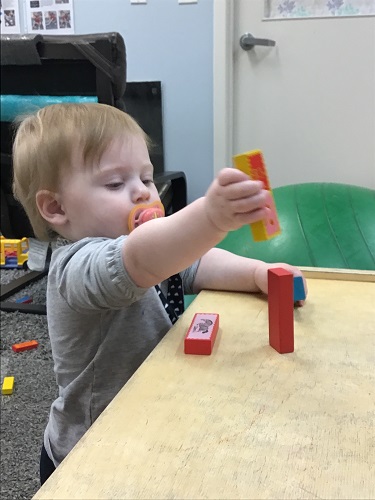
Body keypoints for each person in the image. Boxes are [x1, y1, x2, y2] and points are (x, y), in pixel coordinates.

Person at [12, 103, 307, 485]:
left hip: (148, 412)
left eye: (147, 179)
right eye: (116, 184)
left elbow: (196, 263)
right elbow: (143, 258)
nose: (141, 193)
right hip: (91, 454)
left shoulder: (148, 248)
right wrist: (211, 218)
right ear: (56, 207)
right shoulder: (77, 268)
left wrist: (255, 272)